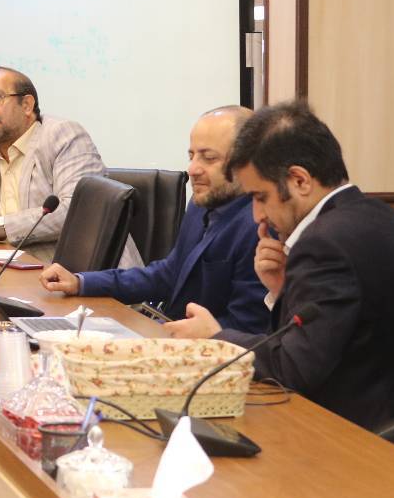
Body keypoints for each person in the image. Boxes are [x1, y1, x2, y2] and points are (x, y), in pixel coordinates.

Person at [166, 100, 394, 430]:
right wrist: (282, 290)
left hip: (354, 432)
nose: (257, 215)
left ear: (299, 180)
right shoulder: (375, 216)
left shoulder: (325, 245)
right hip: (391, 413)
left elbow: (293, 369)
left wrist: (216, 338)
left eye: (260, 197)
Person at [40, 106, 268, 332]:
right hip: (164, 333)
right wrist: (81, 282)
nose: (192, 169)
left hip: (202, 348)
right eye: (191, 156)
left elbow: (248, 328)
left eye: (209, 158)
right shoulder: (202, 203)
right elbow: (168, 274)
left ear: (248, 162)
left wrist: (179, 333)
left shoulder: (260, 226)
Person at [0, 66, 140, 268]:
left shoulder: (62, 136)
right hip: (15, 276)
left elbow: (78, 212)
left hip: (87, 276)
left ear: (26, 105)